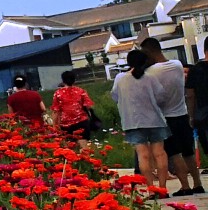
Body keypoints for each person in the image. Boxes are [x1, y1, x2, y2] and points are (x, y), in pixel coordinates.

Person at [139, 37, 201, 196]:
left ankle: (185, 186)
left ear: (148, 53)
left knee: (174, 153)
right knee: (188, 152)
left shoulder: (150, 72)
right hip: (182, 113)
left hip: (165, 118)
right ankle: (197, 183)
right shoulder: (178, 65)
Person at [113, 48, 173, 192]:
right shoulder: (151, 78)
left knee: (143, 156)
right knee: (160, 154)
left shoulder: (120, 79)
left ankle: (151, 188)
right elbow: (161, 97)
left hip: (132, 122)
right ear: (145, 62)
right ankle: (163, 188)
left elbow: (115, 96)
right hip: (154, 120)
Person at [50, 70, 99, 139]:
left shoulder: (58, 94)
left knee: (70, 147)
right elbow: (89, 106)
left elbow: (56, 111)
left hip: (66, 124)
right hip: (81, 122)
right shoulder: (81, 91)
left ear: (63, 80)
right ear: (74, 80)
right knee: (84, 147)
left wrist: (54, 125)